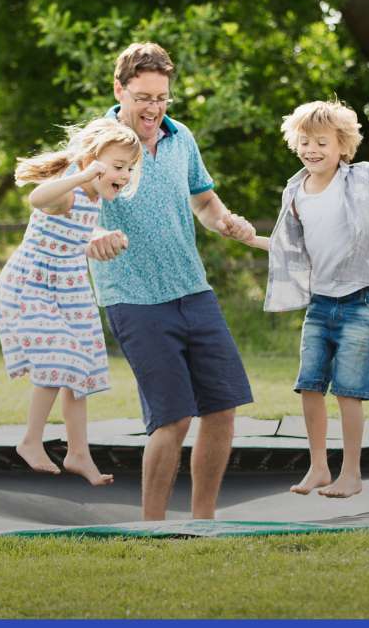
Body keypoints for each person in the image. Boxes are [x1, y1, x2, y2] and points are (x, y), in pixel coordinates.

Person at [86, 42, 257, 521]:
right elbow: (68, 208)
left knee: (222, 408)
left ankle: (204, 523)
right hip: (133, 296)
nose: (153, 108)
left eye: (161, 98)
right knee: (173, 417)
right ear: (119, 90)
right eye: (143, 97)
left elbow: (203, 201)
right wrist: (93, 235)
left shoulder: (182, 139)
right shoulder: (97, 143)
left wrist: (226, 221)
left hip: (193, 289)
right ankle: (153, 528)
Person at [238, 100, 369, 499]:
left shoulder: (363, 178)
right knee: (310, 386)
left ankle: (352, 474)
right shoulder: (295, 192)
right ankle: (319, 467)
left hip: (362, 299)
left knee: (348, 390)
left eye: (321, 143)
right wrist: (250, 239)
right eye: (305, 142)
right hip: (321, 303)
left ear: (343, 146)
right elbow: (290, 250)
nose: (311, 150)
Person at [0, 118, 143, 486]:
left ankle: (78, 453)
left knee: (83, 368)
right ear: (92, 161)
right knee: (63, 357)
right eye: (118, 166)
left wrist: (105, 238)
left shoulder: (93, 199)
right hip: (34, 285)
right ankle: (31, 440)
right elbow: (37, 198)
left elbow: (77, 235)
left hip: (70, 288)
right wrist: (82, 175)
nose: (125, 176)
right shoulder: (70, 191)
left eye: (129, 168)